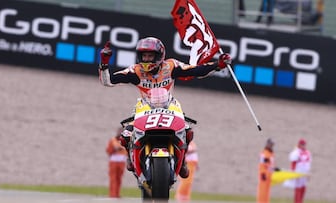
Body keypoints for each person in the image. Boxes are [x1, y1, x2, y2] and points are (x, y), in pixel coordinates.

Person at [99, 36, 232, 178]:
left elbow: (195, 70)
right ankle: (131, 158)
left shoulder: (171, 66)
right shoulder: (135, 71)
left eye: (150, 56)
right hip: (144, 107)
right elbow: (108, 81)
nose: (147, 59)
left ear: (159, 55)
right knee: (125, 135)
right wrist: (105, 63)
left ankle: (183, 162)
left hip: (169, 105)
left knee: (187, 131)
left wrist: (218, 65)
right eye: (144, 56)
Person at [105, 127, 128, 198]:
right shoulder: (113, 140)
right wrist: (114, 149)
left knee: (119, 179)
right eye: (119, 131)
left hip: (122, 162)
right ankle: (112, 194)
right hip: (114, 161)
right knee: (113, 178)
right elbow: (108, 150)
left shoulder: (125, 141)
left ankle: (117, 194)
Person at [289, 138, 312, 203]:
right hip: (298, 173)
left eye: (304, 144)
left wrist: (308, 173)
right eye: (302, 144)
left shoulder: (308, 152)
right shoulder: (296, 152)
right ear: (299, 144)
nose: (303, 146)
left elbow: (308, 164)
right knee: (298, 189)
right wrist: (293, 173)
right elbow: (293, 164)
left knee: (303, 188)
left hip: (304, 173)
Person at [257, 138, 279, 203]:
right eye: (270, 144)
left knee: (267, 193)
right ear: (267, 144)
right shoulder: (264, 153)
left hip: (269, 176)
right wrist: (263, 173)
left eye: (272, 144)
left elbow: (270, 165)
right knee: (262, 193)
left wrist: (275, 169)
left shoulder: (271, 154)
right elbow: (262, 164)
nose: (271, 146)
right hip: (264, 176)